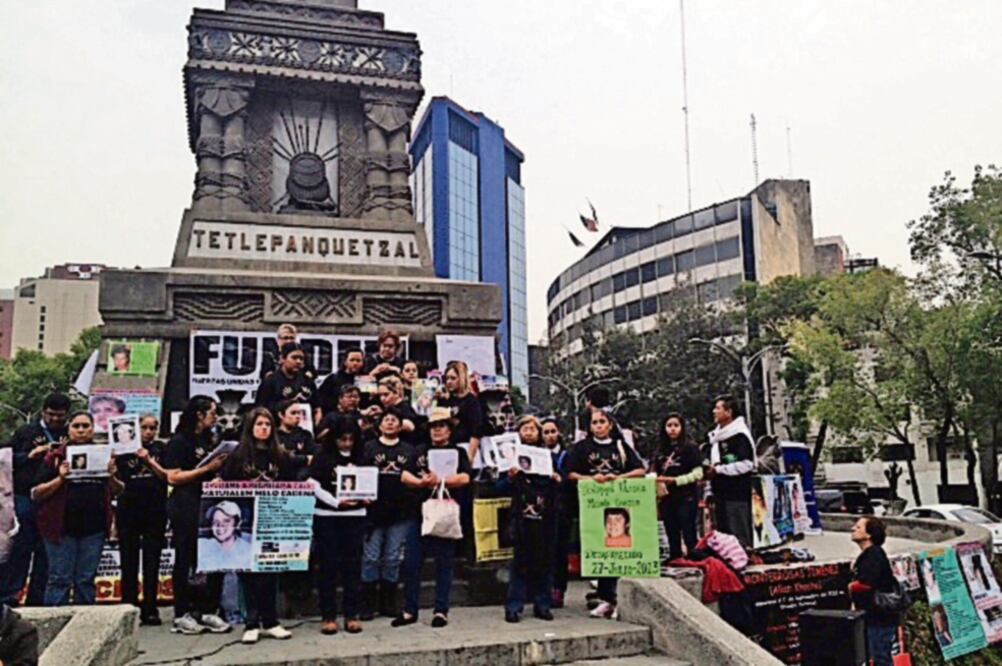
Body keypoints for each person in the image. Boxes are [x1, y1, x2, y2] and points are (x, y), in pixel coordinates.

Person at [219, 407, 297, 644]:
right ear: (250, 427)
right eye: (259, 424)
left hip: (272, 519)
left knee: (270, 572)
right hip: (244, 519)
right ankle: (251, 622)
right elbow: (224, 483)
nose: (263, 428)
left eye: (267, 424)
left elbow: (291, 485)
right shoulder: (238, 456)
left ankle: (271, 621)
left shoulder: (281, 456)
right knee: (248, 572)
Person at [31, 412, 122, 606]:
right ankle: (54, 627)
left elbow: (118, 490)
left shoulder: (104, 455)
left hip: (94, 528)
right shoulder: (54, 457)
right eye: (76, 426)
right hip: (61, 528)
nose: (81, 430)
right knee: (59, 580)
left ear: (93, 428)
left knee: (85, 580)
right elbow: (37, 493)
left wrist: (112, 476)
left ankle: (84, 628)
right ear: (69, 429)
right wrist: (61, 478)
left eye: (85, 426)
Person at [393, 408, 471, 629]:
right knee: (411, 563)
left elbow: (465, 477)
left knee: (444, 564)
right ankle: (410, 610)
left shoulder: (458, 452)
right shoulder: (418, 450)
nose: (437, 430)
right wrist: (421, 483)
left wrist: (441, 481)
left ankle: (441, 610)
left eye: (442, 426)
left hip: (445, 513)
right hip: (419, 513)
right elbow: (404, 475)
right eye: (434, 427)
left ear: (449, 430)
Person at [566, 408, 645, 619]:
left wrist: (620, 477)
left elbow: (640, 470)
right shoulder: (581, 448)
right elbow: (571, 473)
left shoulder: (621, 446)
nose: (599, 426)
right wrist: (592, 479)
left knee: (619, 547)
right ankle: (604, 597)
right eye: (595, 423)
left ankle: (617, 597)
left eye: (602, 422)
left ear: (610, 425)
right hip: (592, 506)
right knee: (599, 548)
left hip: (618, 503)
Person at [162, 396, 231, 635]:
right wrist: (205, 470)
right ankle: (182, 612)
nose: (215, 417)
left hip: (210, 505)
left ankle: (209, 609)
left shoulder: (209, 440)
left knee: (213, 557)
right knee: (186, 558)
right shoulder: (179, 442)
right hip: (186, 505)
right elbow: (173, 477)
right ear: (200, 414)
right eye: (212, 412)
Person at [1, 393, 69, 607]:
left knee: (46, 552)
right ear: (43, 412)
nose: (55, 420)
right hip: (25, 498)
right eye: (51, 415)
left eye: (60, 416)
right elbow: (5, 457)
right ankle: (9, 597)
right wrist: (30, 455)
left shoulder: (70, 433)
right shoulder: (27, 432)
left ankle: (38, 600)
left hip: (55, 498)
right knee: (20, 549)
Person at [359, 408, 421, 620]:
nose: (391, 423)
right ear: (379, 425)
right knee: (371, 557)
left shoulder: (409, 450)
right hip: (374, 511)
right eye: (386, 420)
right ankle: (367, 603)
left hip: (401, 511)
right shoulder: (368, 448)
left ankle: (388, 602)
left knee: (393, 557)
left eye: (395, 420)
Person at [499, 416, 562, 623]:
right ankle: (514, 606)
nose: (529, 432)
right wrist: (510, 477)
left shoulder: (549, 457)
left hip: (546, 516)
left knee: (545, 562)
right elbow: (498, 488)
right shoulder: (511, 459)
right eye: (525, 429)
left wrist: (556, 478)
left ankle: (542, 604)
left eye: (533, 429)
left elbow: (561, 485)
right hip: (522, 517)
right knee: (520, 564)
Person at [310, 415, 367, 635]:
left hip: (356, 515)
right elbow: (313, 484)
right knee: (328, 566)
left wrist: (366, 498)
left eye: (351, 439)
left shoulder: (362, 456)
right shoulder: (323, 457)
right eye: (342, 439)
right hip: (327, 515)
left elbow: (371, 481)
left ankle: (352, 613)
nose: (347, 444)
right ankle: (328, 615)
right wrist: (335, 502)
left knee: (353, 566)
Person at [114, 415, 169, 625]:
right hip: (129, 509)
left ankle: (150, 607)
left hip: (155, 509)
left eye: (152, 428)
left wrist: (148, 460)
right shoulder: (122, 451)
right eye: (144, 428)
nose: (148, 432)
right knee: (128, 560)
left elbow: (167, 476)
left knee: (152, 560)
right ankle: (129, 606)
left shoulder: (160, 450)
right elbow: (116, 482)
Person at [705, 395, 755, 548]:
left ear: (729, 412)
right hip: (719, 492)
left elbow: (747, 464)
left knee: (738, 532)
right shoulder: (717, 436)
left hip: (737, 494)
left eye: (718, 408)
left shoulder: (739, 436)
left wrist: (719, 469)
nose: (714, 412)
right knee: (724, 534)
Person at [651, 413, 703, 560]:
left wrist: (676, 480)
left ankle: (694, 557)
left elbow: (698, 473)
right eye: (669, 426)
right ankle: (675, 557)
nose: (672, 429)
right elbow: (654, 469)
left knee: (688, 530)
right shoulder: (660, 449)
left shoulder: (690, 448)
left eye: (676, 425)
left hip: (686, 495)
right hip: (667, 496)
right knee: (671, 529)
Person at [849, 516, 899, 666]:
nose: (853, 529)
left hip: (879, 618)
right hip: (872, 617)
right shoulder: (869, 555)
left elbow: (867, 583)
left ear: (869, 534)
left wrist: (850, 587)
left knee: (881, 658)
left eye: (858, 527)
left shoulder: (874, 554)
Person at [541, 417, 572, 609]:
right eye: (546, 432)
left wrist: (561, 479)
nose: (550, 436)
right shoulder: (536, 454)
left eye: (553, 431)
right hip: (542, 508)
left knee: (560, 551)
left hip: (562, 508)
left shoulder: (568, 455)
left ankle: (558, 589)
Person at [254, 342, 319, 422]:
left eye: (301, 358)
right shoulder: (270, 381)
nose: (298, 361)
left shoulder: (308, 381)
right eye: (294, 358)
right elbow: (260, 410)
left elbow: (317, 409)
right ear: (282, 359)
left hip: (304, 430)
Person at [439, 361, 483, 463]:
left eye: (453, 378)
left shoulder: (471, 401)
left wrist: (470, 456)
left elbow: (476, 430)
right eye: (447, 378)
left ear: (461, 378)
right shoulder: (444, 400)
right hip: (446, 447)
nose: (449, 382)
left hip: (465, 446)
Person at [197, 501, 254, 573]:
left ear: (238, 524)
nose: (220, 525)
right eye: (215, 521)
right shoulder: (203, 546)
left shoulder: (249, 551)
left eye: (226, 521)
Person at [317, 348, 366, 417]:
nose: (355, 363)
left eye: (358, 360)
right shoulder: (333, 379)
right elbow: (321, 400)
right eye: (352, 360)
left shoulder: (366, 379)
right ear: (345, 362)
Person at [275, 401, 315, 473]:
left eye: (299, 413)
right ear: (281, 415)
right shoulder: (274, 435)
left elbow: (313, 458)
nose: (297, 416)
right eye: (293, 413)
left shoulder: (305, 435)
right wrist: (303, 459)